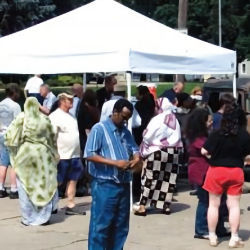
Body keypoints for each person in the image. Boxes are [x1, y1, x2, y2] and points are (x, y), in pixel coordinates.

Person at [84, 99, 142, 250]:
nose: (125, 121)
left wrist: (136, 158)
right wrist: (115, 163)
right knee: (101, 226)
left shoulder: (125, 131)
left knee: (121, 225)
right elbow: (89, 154)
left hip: (123, 183)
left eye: (128, 119)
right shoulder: (99, 129)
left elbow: (135, 149)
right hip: (105, 184)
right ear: (115, 112)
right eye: (123, 117)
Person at [202, 103, 250, 247]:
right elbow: (248, 157)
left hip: (216, 171)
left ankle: (212, 236)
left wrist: (212, 156)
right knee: (234, 206)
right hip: (235, 171)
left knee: (213, 205)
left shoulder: (216, 133)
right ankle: (234, 237)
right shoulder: (244, 135)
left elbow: (204, 151)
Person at [5, 97, 58, 225]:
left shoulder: (21, 118)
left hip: (25, 155)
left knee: (25, 187)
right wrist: (54, 153)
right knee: (43, 186)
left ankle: (28, 218)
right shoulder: (44, 119)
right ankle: (44, 217)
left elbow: (10, 137)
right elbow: (52, 138)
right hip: (42, 156)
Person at [185, 108, 229, 240]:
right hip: (202, 173)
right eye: (209, 121)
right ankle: (201, 229)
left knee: (220, 201)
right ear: (201, 122)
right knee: (205, 201)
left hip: (211, 172)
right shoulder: (198, 139)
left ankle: (219, 228)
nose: (211, 123)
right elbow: (209, 151)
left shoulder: (204, 136)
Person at [135, 97, 183, 216]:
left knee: (150, 178)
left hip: (157, 151)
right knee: (168, 179)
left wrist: (144, 148)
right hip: (174, 152)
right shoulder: (174, 119)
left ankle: (142, 206)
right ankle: (166, 206)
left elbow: (147, 135)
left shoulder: (157, 119)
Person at [49, 93, 85, 215]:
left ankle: (70, 204)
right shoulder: (54, 116)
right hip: (62, 155)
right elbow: (51, 137)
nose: (72, 101)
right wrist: (54, 153)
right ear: (62, 101)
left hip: (74, 155)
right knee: (57, 181)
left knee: (73, 179)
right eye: (69, 100)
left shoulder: (72, 116)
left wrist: (79, 150)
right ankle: (50, 204)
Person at [0, 83, 21, 199]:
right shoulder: (15, 106)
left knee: (3, 162)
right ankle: (14, 188)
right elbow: (18, 122)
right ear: (14, 93)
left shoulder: (1, 104)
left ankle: (1, 187)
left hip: (1, 133)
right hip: (12, 135)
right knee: (14, 163)